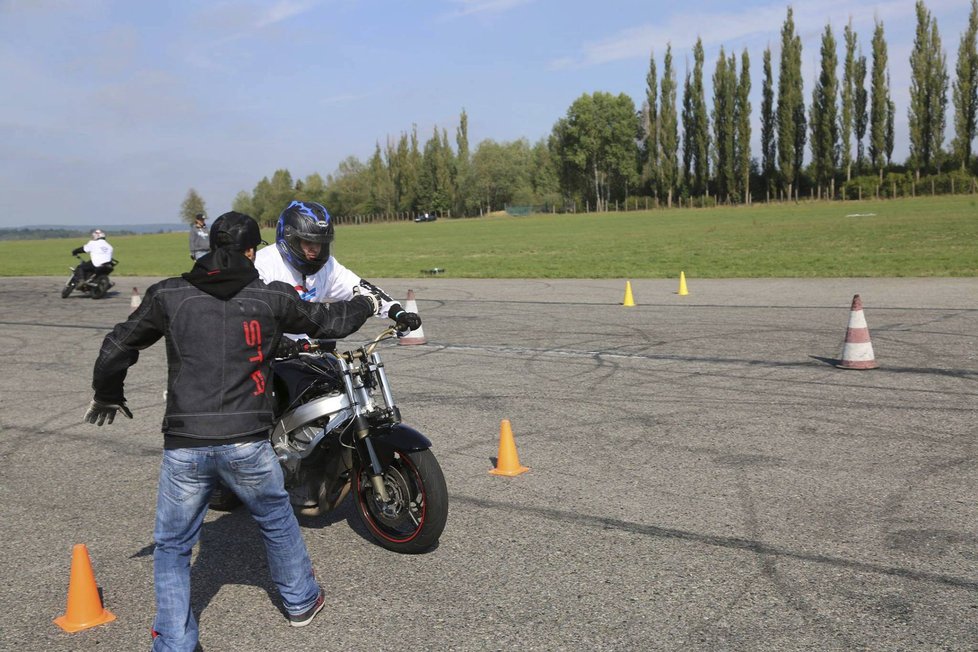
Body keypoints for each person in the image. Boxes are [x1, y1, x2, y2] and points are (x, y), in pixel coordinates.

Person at [84, 211, 391, 651]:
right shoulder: (272, 298)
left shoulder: (169, 293)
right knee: (277, 519)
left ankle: (174, 642)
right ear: (251, 251)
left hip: (186, 443)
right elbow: (332, 323)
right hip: (248, 441)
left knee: (172, 546)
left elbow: (118, 345)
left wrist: (107, 393)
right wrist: (366, 302)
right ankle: (301, 602)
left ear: (211, 247)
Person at [254, 200, 421, 339]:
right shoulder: (263, 265)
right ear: (290, 238)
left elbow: (361, 288)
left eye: (320, 243)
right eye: (308, 243)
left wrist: (398, 312)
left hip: (307, 351)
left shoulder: (327, 267)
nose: (315, 249)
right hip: (270, 356)